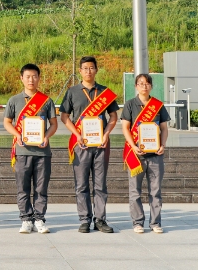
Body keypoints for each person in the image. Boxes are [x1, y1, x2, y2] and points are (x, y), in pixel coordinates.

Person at [60, 56, 119, 234]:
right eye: (85, 68)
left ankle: (100, 219)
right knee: (81, 184)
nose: (88, 71)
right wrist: (77, 134)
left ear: (96, 70)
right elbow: (64, 117)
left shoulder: (104, 92)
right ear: (80, 71)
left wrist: (106, 134)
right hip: (81, 144)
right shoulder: (72, 92)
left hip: (101, 144)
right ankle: (84, 219)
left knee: (100, 184)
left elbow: (113, 116)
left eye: (91, 68)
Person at [3, 63, 57, 234]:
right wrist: (17, 135)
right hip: (22, 151)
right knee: (23, 188)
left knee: (41, 188)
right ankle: (26, 219)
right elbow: (7, 122)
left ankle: (39, 219)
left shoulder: (47, 101)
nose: (31, 80)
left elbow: (54, 124)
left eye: (34, 76)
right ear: (21, 78)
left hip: (43, 152)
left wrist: (46, 136)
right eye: (27, 76)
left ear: (39, 78)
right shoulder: (14, 100)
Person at [121, 73, 169, 234]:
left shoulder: (158, 105)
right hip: (136, 154)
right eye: (141, 83)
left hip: (155, 155)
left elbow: (164, 128)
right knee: (135, 191)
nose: (144, 86)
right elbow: (125, 128)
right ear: (136, 86)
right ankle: (137, 222)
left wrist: (163, 144)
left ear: (151, 86)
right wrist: (133, 146)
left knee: (155, 191)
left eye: (147, 83)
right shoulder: (130, 104)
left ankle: (155, 222)